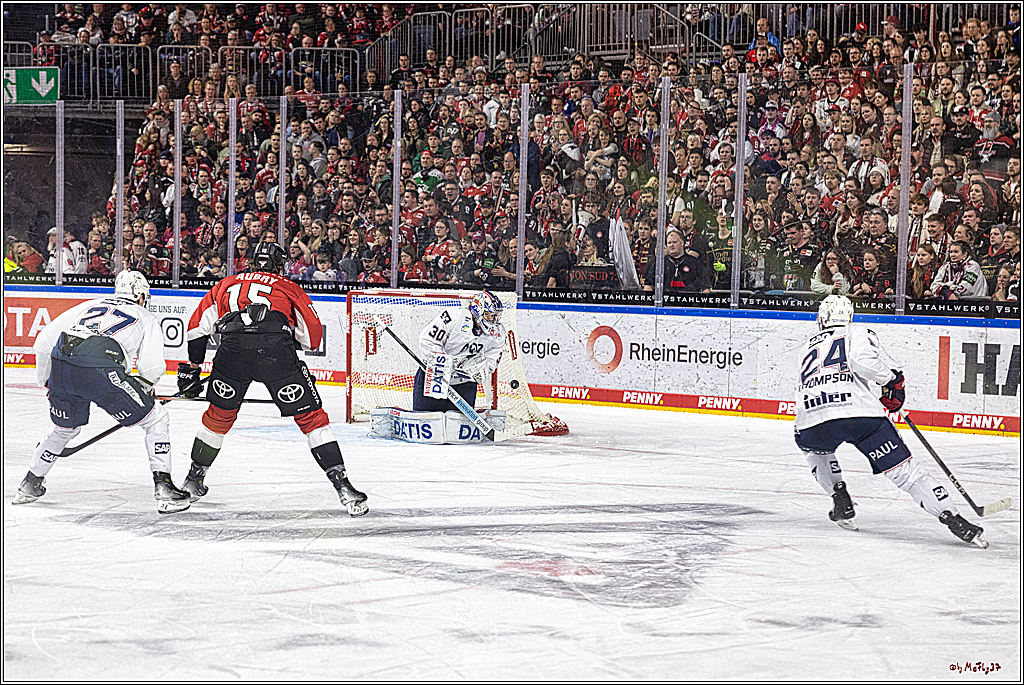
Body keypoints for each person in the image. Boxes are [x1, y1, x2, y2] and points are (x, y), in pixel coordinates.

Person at [177, 242, 368, 516]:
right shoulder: (288, 287)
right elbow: (313, 339)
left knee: (217, 417)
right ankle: (344, 488)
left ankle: (193, 480)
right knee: (312, 419)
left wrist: (194, 368)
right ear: (280, 264)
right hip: (276, 353)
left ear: (251, 262)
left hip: (232, 354)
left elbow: (196, 330)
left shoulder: (225, 284)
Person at [794, 295, 987, 547]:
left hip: (813, 417)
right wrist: (891, 381)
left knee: (815, 449)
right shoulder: (858, 332)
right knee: (908, 474)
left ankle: (839, 496)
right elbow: (862, 362)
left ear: (821, 319)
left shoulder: (806, 346)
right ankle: (954, 520)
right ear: (849, 317)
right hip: (861, 416)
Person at [14, 271, 191, 514]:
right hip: (100, 366)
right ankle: (165, 488)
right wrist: (146, 387)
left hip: (62, 363)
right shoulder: (145, 316)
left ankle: (30, 483)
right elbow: (152, 367)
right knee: (156, 419)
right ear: (141, 296)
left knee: (64, 429)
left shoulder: (91, 305)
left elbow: (44, 341)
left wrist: (47, 381)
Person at [413, 291, 506, 415]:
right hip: (434, 378)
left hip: (464, 385)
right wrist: (444, 365)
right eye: (489, 315)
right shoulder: (453, 316)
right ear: (478, 310)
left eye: (495, 316)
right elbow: (427, 341)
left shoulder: (498, 333)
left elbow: (492, 360)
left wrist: (479, 370)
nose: (493, 320)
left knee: (457, 429)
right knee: (425, 424)